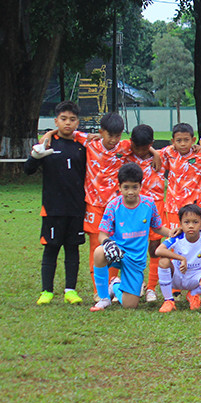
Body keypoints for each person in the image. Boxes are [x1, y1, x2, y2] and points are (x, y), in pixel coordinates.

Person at [25, 101, 88, 305]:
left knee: (72, 249)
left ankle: (70, 290)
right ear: (56, 121)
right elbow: (28, 170)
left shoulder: (82, 147)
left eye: (72, 119)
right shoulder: (48, 144)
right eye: (63, 119)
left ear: (78, 122)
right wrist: (35, 156)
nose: (67, 123)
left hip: (77, 208)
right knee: (51, 248)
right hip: (53, 208)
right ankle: (47, 291)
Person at [90, 163, 174, 311]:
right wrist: (108, 243)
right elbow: (102, 234)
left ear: (140, 186)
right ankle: (103, 298)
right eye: (126, 187)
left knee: (130, 305)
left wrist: (172, 233)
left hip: (135, 259)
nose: (130, 192)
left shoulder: (149, 204)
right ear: (119, 187)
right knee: (99, 252)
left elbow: (157, 227)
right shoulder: (113, 205)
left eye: (134, 187)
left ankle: (115, 285)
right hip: (117, 252)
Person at [80, 112, 132, 291]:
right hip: (94, 205)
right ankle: (98, 290)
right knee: (96, 245)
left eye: (118, 135)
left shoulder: (124, 147)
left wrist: (154, 153)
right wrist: (48, 134)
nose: (114, 140)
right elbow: (68, 132)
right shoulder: (90, 143)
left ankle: (113, 284)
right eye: (110, 135)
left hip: (116, 206)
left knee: (117, 244)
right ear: (101, 131)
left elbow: (143, 145)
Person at [154, 204, 201, 313]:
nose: (191, 226)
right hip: (176, 275)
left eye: (195, 222)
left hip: (195, 277)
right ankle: (168, 301)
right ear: (180, 224)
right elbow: (159, 250)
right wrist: (181, 259)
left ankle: (193, 294)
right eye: (186, 222)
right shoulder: (177, 236)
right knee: (163, 261)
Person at [125, 124, 166, 301]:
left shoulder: (162, 156)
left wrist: (155, 152)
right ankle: (132, 284)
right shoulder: (125, 155)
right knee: (131, 247)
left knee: (154, 248)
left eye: (145, 148)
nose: (140, 152)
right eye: (137, 148)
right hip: (131, 208)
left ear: (151, 143)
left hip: (155, 207)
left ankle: (151, 287)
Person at [160, 123, 201, 233]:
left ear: (193, 140)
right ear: (173, 141)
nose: (183, 144)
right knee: (174, 236)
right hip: (173, 206)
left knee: (193, 236)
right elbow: (151, 153)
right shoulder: (168, 152)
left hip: (194, 204)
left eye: (186, 140)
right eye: (179, 140)